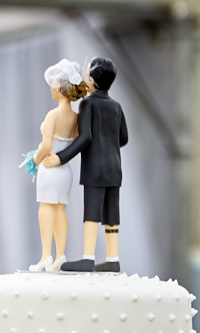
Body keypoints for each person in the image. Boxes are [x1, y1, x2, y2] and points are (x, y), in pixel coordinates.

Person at [43, 57, 128, 272]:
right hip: (115, 169)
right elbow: (123, 138)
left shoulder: (88, 104)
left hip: (95, 169)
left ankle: (88, 258)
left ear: (92, 80)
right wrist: (108, 142)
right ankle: (113, 258)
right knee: (111, 213)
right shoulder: (117, 106)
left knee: (92, 211)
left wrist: (61, 157)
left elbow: (85, 138)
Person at [29, 59, 89, 272]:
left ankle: (46, 255)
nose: (51, 87)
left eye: (54, 84)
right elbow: (73, 142)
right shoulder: (75, 117)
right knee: (61, 209)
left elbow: (46, 145)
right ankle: (60, 254)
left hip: (49, 168)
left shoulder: (53, 115)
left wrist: (34, 161)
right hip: (64, 170)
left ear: (60, 88)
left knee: (46, 208)